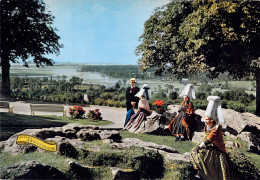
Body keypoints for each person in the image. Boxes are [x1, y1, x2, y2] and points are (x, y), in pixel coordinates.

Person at [191, 96, 230, 180]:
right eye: (205, 119)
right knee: (194, 152)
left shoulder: (216, 129)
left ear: (212, 120)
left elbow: (208, 139)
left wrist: (198, 147)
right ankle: (198, 171)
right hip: (210, 145)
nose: (205, 121)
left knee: (201, 154)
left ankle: (204, 174)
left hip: (217, 149)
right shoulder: (208, 126)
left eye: (207, 119)